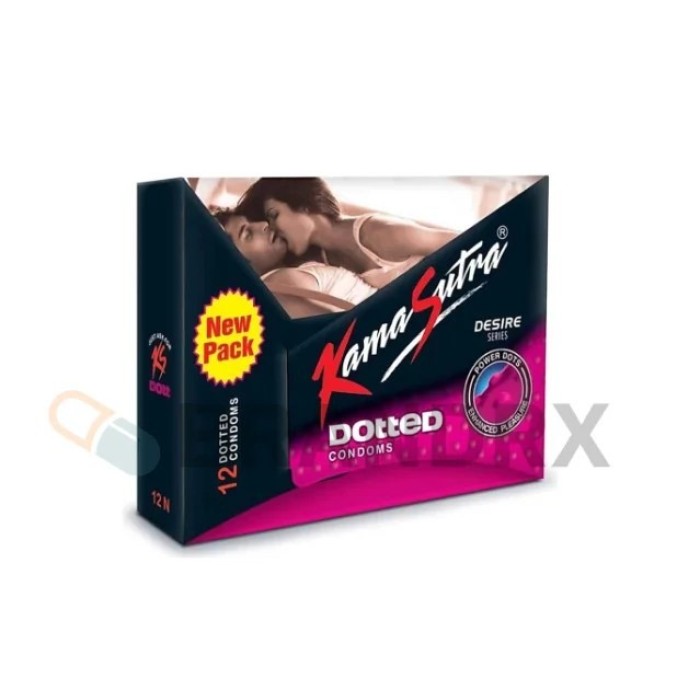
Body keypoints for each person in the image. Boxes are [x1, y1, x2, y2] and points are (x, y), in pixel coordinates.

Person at [235, 177, 457, 289]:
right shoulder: (314, 262)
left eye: (274, 215)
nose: (272, 228)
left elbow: (469, 244)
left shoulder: (381, 233)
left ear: (302, 205)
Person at [212, 206, 376, 318]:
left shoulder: (285, 276)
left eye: (253, 221)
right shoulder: (277, 287)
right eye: (248, 234)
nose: (263, 225)